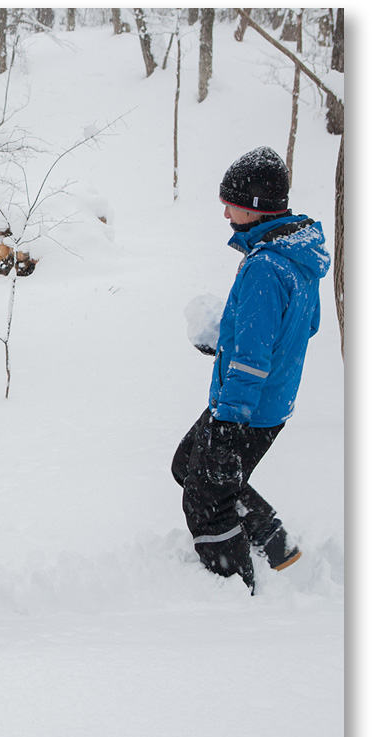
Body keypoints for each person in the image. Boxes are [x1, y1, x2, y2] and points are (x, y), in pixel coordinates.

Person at [171, 147, 331, 594]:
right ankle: (276, 545)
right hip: (264, 400)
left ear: (255, 205)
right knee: (188, 464)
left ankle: (234, 591)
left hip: (245, 408)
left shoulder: (264, 267)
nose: (224, 211)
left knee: (206, 499)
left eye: (230, 202)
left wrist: (230, 415)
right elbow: (305, 325)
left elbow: (255, 356)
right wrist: (228, 341)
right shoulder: (294, 255)